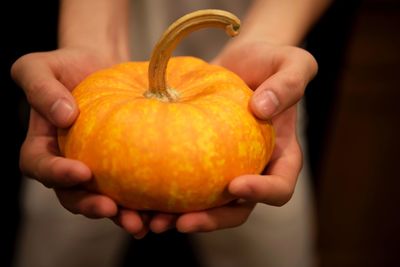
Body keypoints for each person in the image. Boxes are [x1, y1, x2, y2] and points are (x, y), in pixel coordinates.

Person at [11, 0, 332, 266]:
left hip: (255, 50)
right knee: (65, 229)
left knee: (266, 241)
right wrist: (88, 40)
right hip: (111, 39)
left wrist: (270, 38)